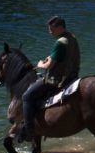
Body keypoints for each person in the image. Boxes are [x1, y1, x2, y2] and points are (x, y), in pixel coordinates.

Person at [18, 16, 81, 144]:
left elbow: (48, 66)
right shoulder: (71, 37)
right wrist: (50, 57)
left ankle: (30, 131)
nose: (50, 32)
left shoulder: (60, 42)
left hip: (57, 79)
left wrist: (41, 64)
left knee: (27, 97)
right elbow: (60, 56)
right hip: (72, 76)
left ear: (60, 27)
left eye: (52, 29)